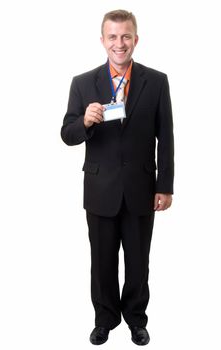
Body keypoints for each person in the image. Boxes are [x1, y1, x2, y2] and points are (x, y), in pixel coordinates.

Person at [61, 9, 174, 346]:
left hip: (142, 187)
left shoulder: (156, 81)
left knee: (139, 262)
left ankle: (136, 320)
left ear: (135, 39)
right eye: (113, 37)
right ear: (102, 41)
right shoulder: (83, 83)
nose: (119, 43)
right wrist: (84, 121)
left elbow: (165, 136)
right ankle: (105, 320)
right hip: (100, 188)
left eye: (126, 36)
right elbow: (67, 134)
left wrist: (165, 185)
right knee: (103, 262)